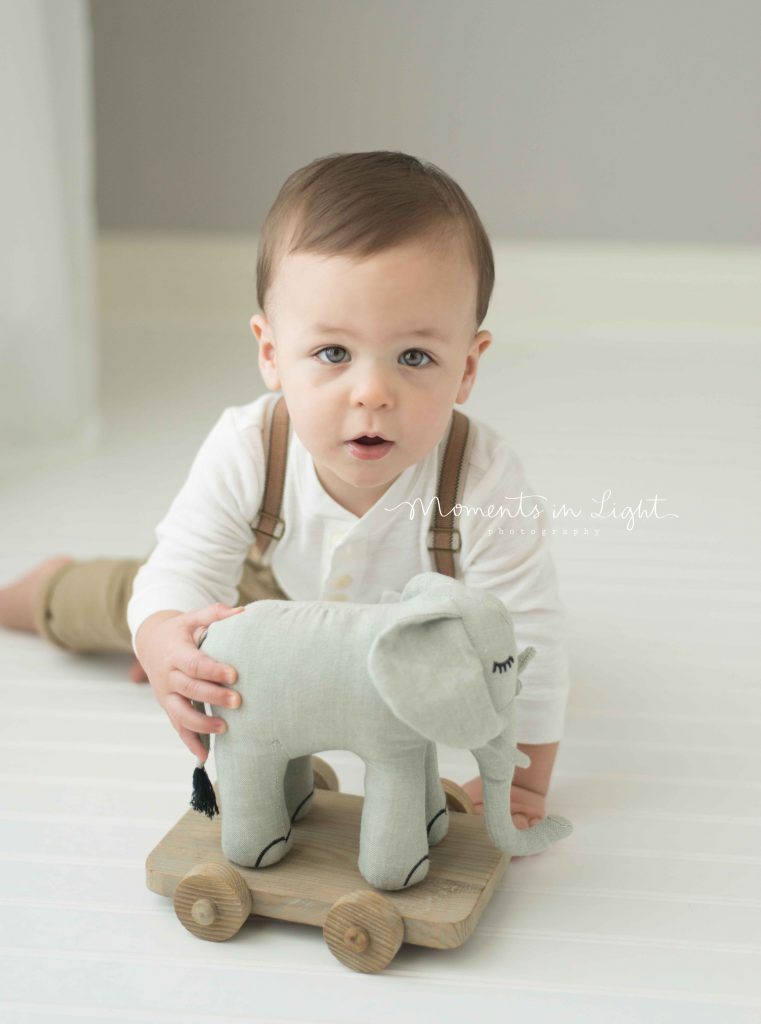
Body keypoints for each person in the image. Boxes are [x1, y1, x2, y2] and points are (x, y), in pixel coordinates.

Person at [0, 150, 570, 833]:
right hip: (268, 603)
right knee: (136, 600)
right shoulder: (248, 446)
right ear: (270, 352)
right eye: (332, 353)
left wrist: (525, 781)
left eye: (414, 357)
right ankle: (40, 590)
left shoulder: (482, 481)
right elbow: (181, 567)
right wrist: (162, 644)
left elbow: (527, 638)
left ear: (467, 367)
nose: (371, 393)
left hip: (413, 635)